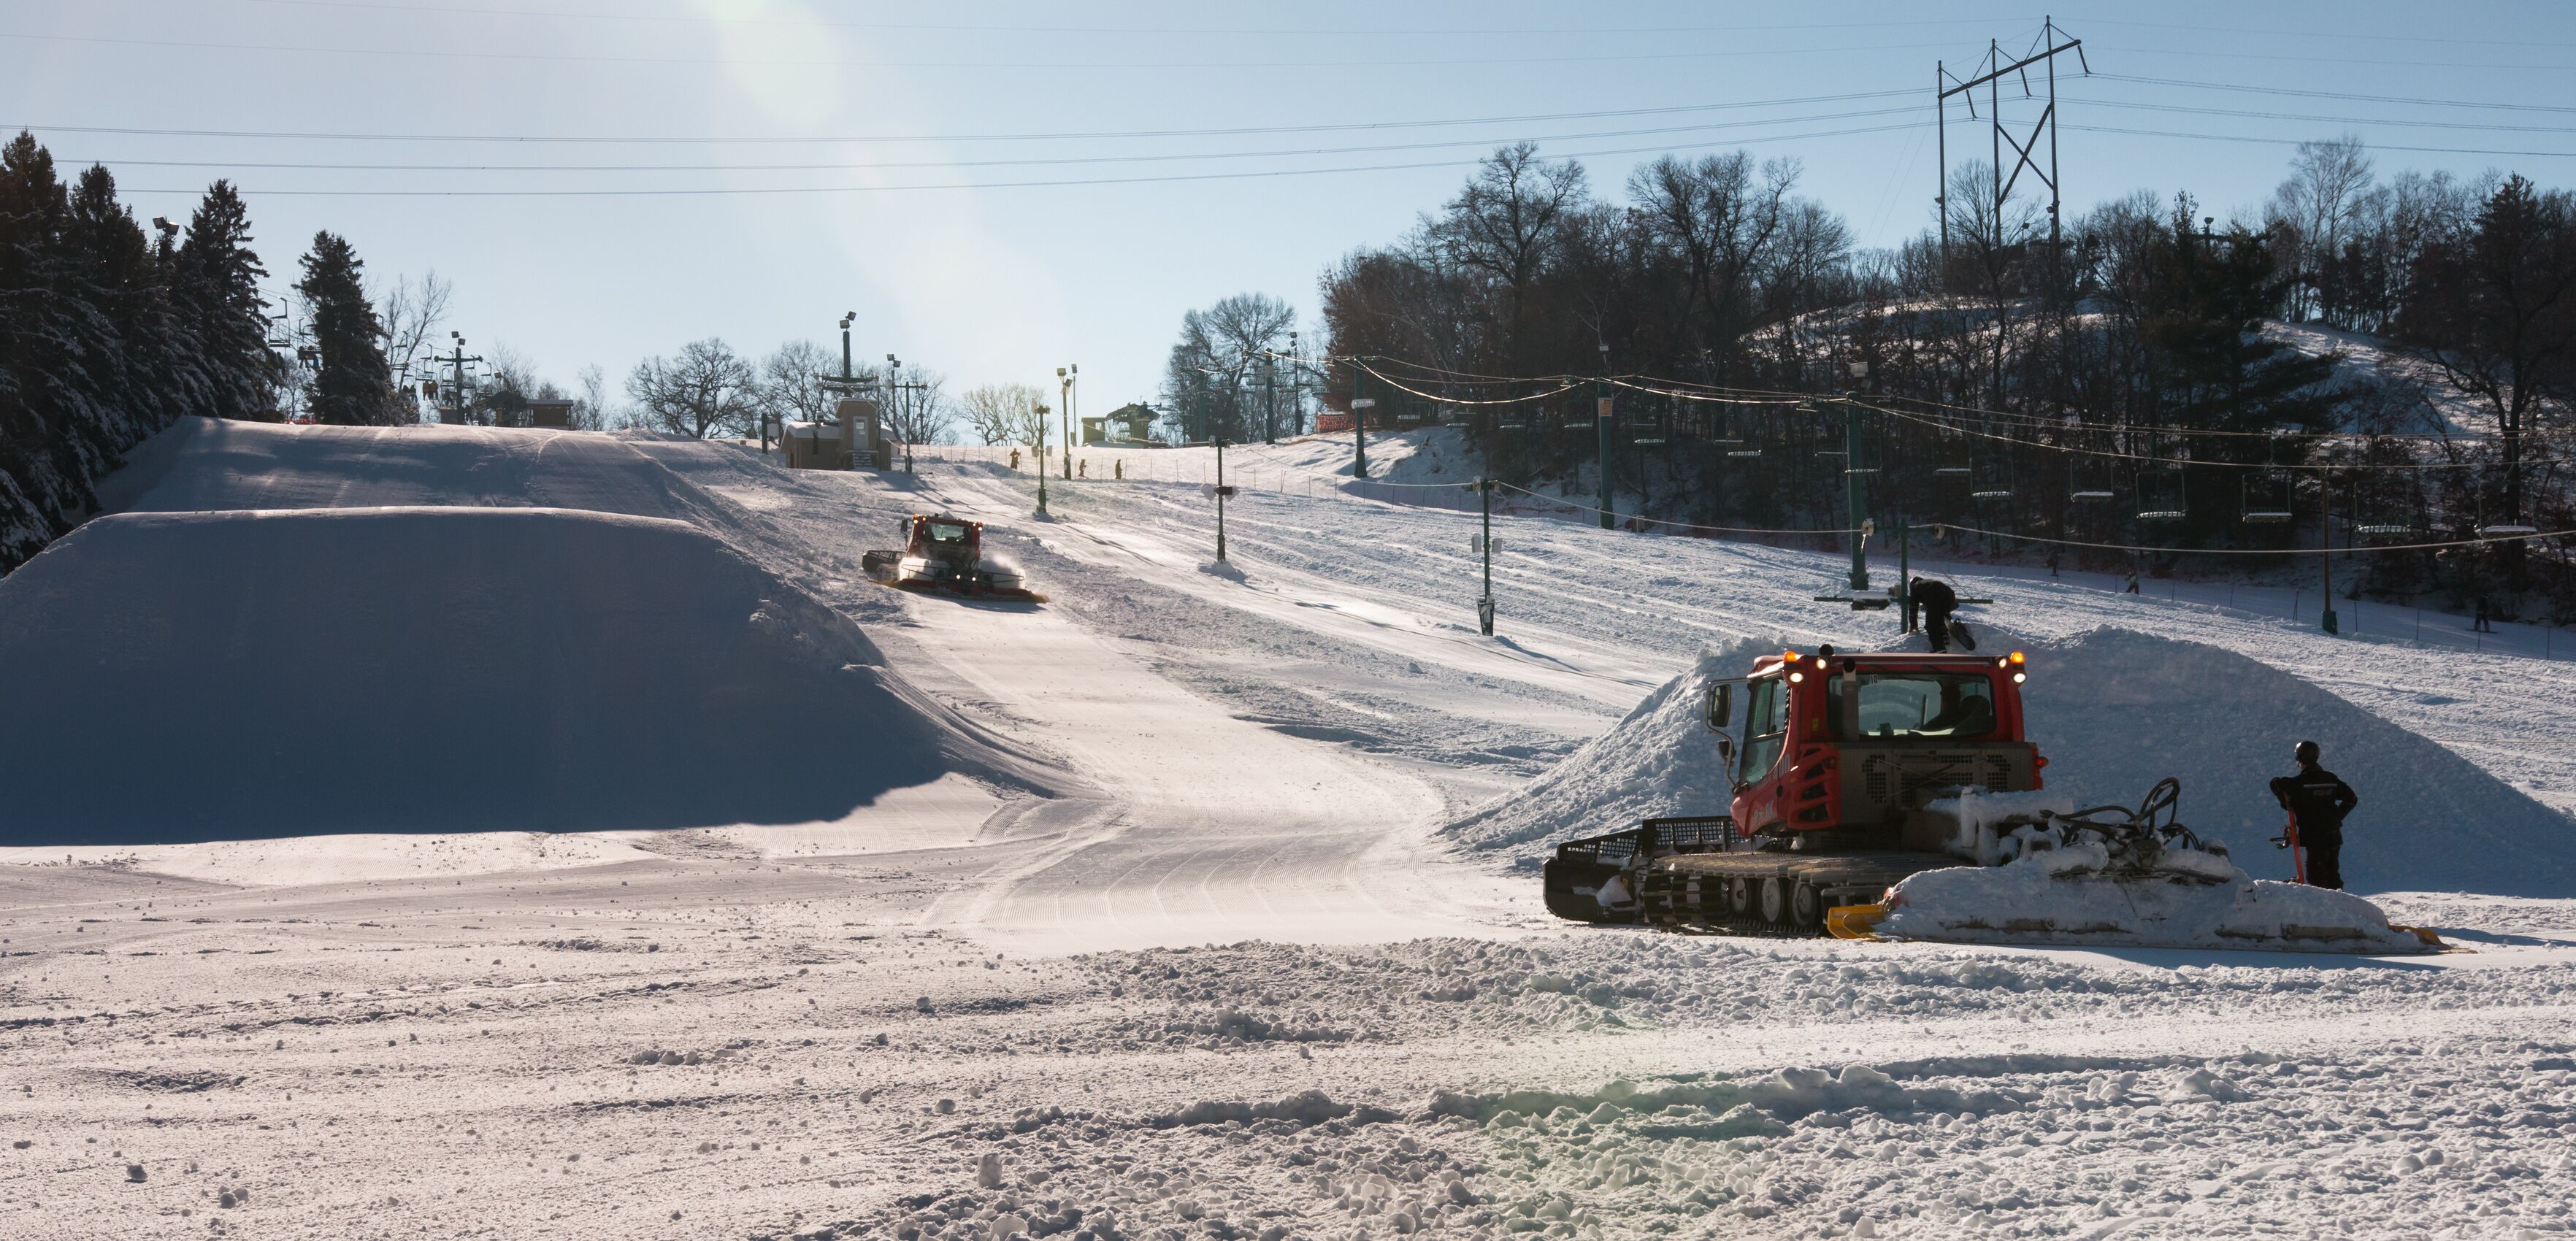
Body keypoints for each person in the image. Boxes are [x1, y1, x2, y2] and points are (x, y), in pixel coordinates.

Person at [2269, 739, 2358, 890]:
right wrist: (2336, 818)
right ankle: (2341, 906)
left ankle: (2326, 910)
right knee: (2333, 875)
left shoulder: (2298, 784)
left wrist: (2283, 794)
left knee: (2317, 878)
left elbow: (2276, 785)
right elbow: (2352, 799)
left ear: (2300, 759)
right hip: (2333, 835)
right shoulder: (2330, 779)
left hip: (2315, 837)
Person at [1910, 576, 1960, 652]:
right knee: (1942, 618)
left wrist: (1913, 624)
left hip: (1935, 597)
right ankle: (1944, 635)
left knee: (1931, 625)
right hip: (1949, 594)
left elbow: (1913, 608)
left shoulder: (1915, 587)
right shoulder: (1927, 583)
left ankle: (1939, 649)